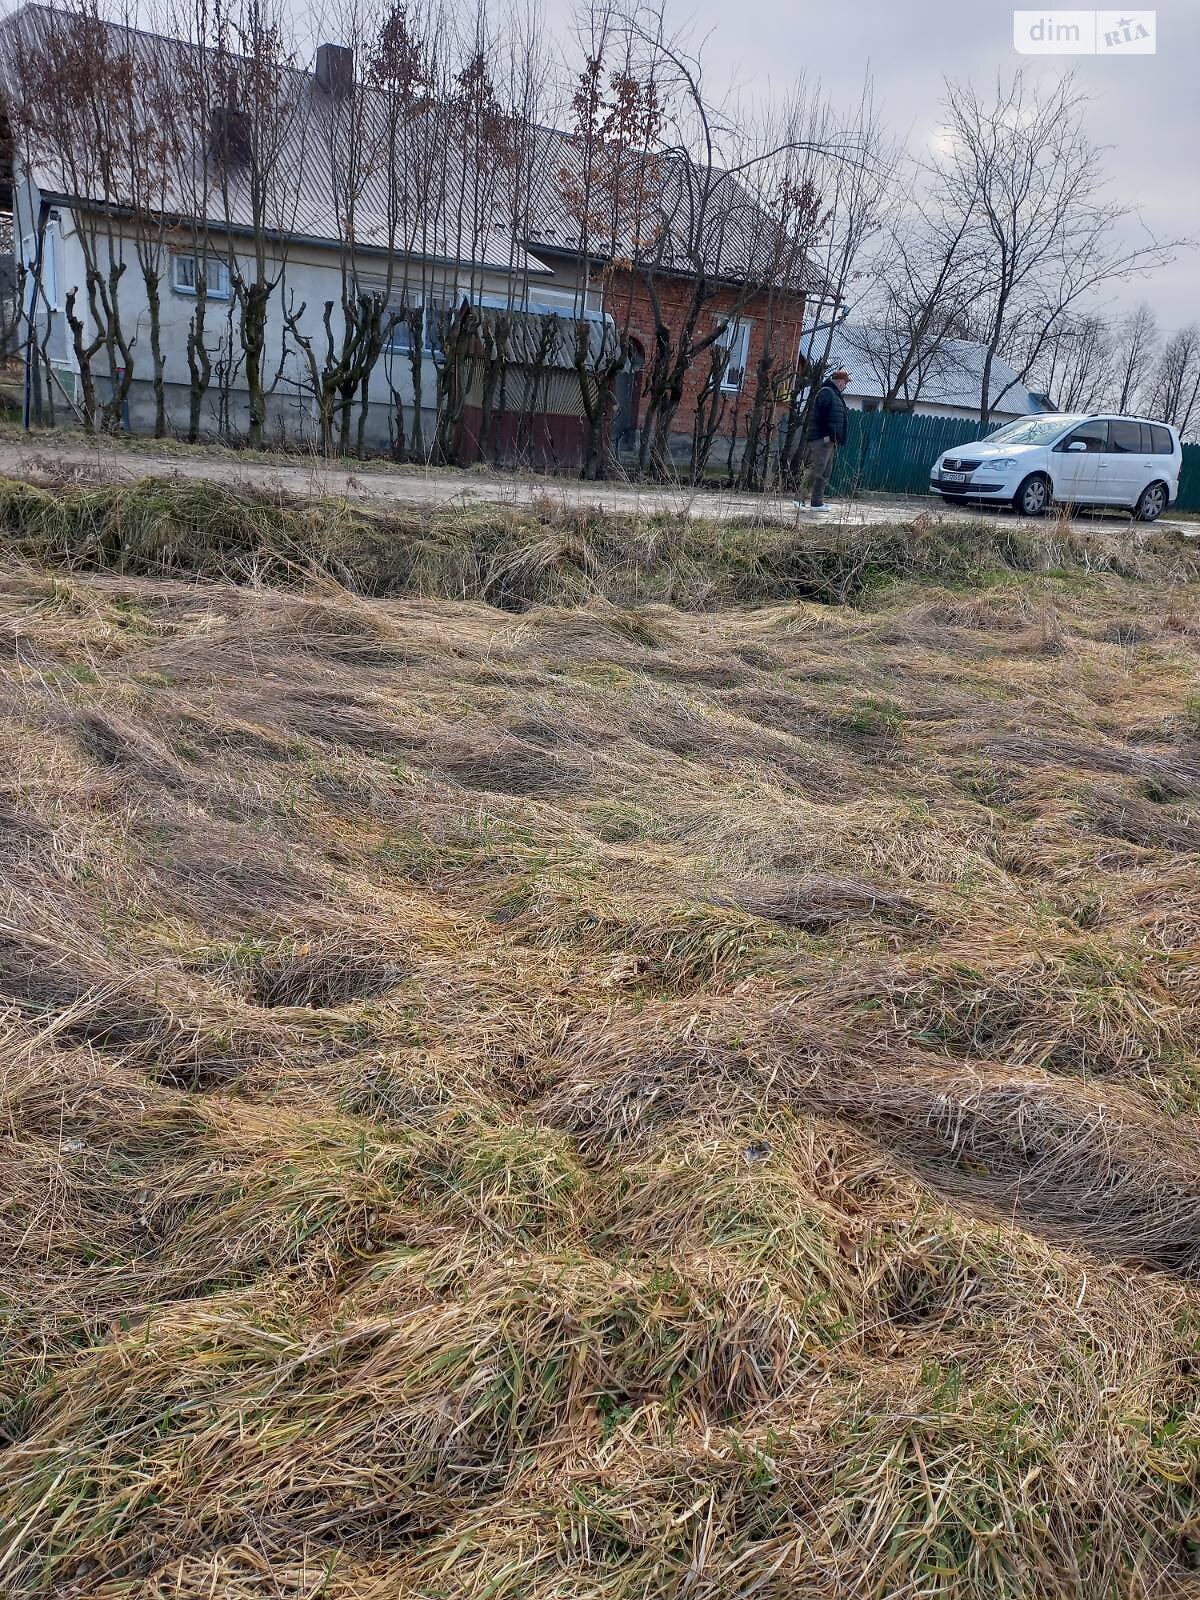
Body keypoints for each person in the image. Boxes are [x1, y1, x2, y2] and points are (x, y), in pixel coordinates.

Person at [798, 368, 850, 512]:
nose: (846, 386)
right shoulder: (826, 392)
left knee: (825, 471)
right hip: (821, 440)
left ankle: (817, 502)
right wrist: (826, 435)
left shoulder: (835, 395)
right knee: (817, 469)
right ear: (840, 382)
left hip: (830, 441)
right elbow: (819, 416)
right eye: (845, 383)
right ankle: (799, 499)